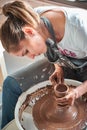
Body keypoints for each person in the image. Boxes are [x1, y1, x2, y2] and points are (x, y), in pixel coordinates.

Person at [0, 0, 87, 128]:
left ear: (29, 32)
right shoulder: (30, 20)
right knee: (11, 85)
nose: (31, 57)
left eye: (27, 51)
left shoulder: (79, 28)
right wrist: (58, 68)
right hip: (67, 63)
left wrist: (78, 91)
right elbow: (54, 50)